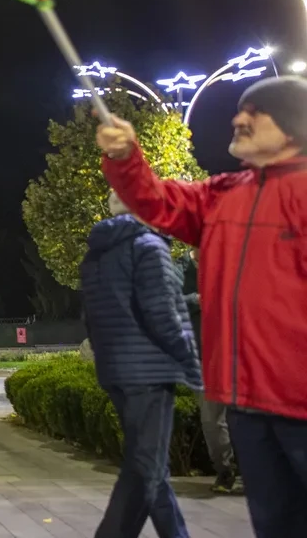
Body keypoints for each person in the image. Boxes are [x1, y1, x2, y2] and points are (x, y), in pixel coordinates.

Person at [97, 76, 307, 538]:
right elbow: (155, 199)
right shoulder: (223, 194)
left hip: (299, 403)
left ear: (293, 125)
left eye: (255, 111)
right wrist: (123, 156)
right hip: (246, 402)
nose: (238, 118)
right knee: (274, 524)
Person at [81, 192, 201, 538]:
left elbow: (90, 318)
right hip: (150, 372)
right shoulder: (149, 246)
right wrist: (191, 363)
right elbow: (163, 315)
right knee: (146, 469)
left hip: (116, 371)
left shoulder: (96, 254)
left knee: (151, 467)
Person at [176, 250, 239, 494]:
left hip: (240, 353)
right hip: (205, 358)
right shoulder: (179, 269)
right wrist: (195, 299)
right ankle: (225, 472)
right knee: (212, 419)